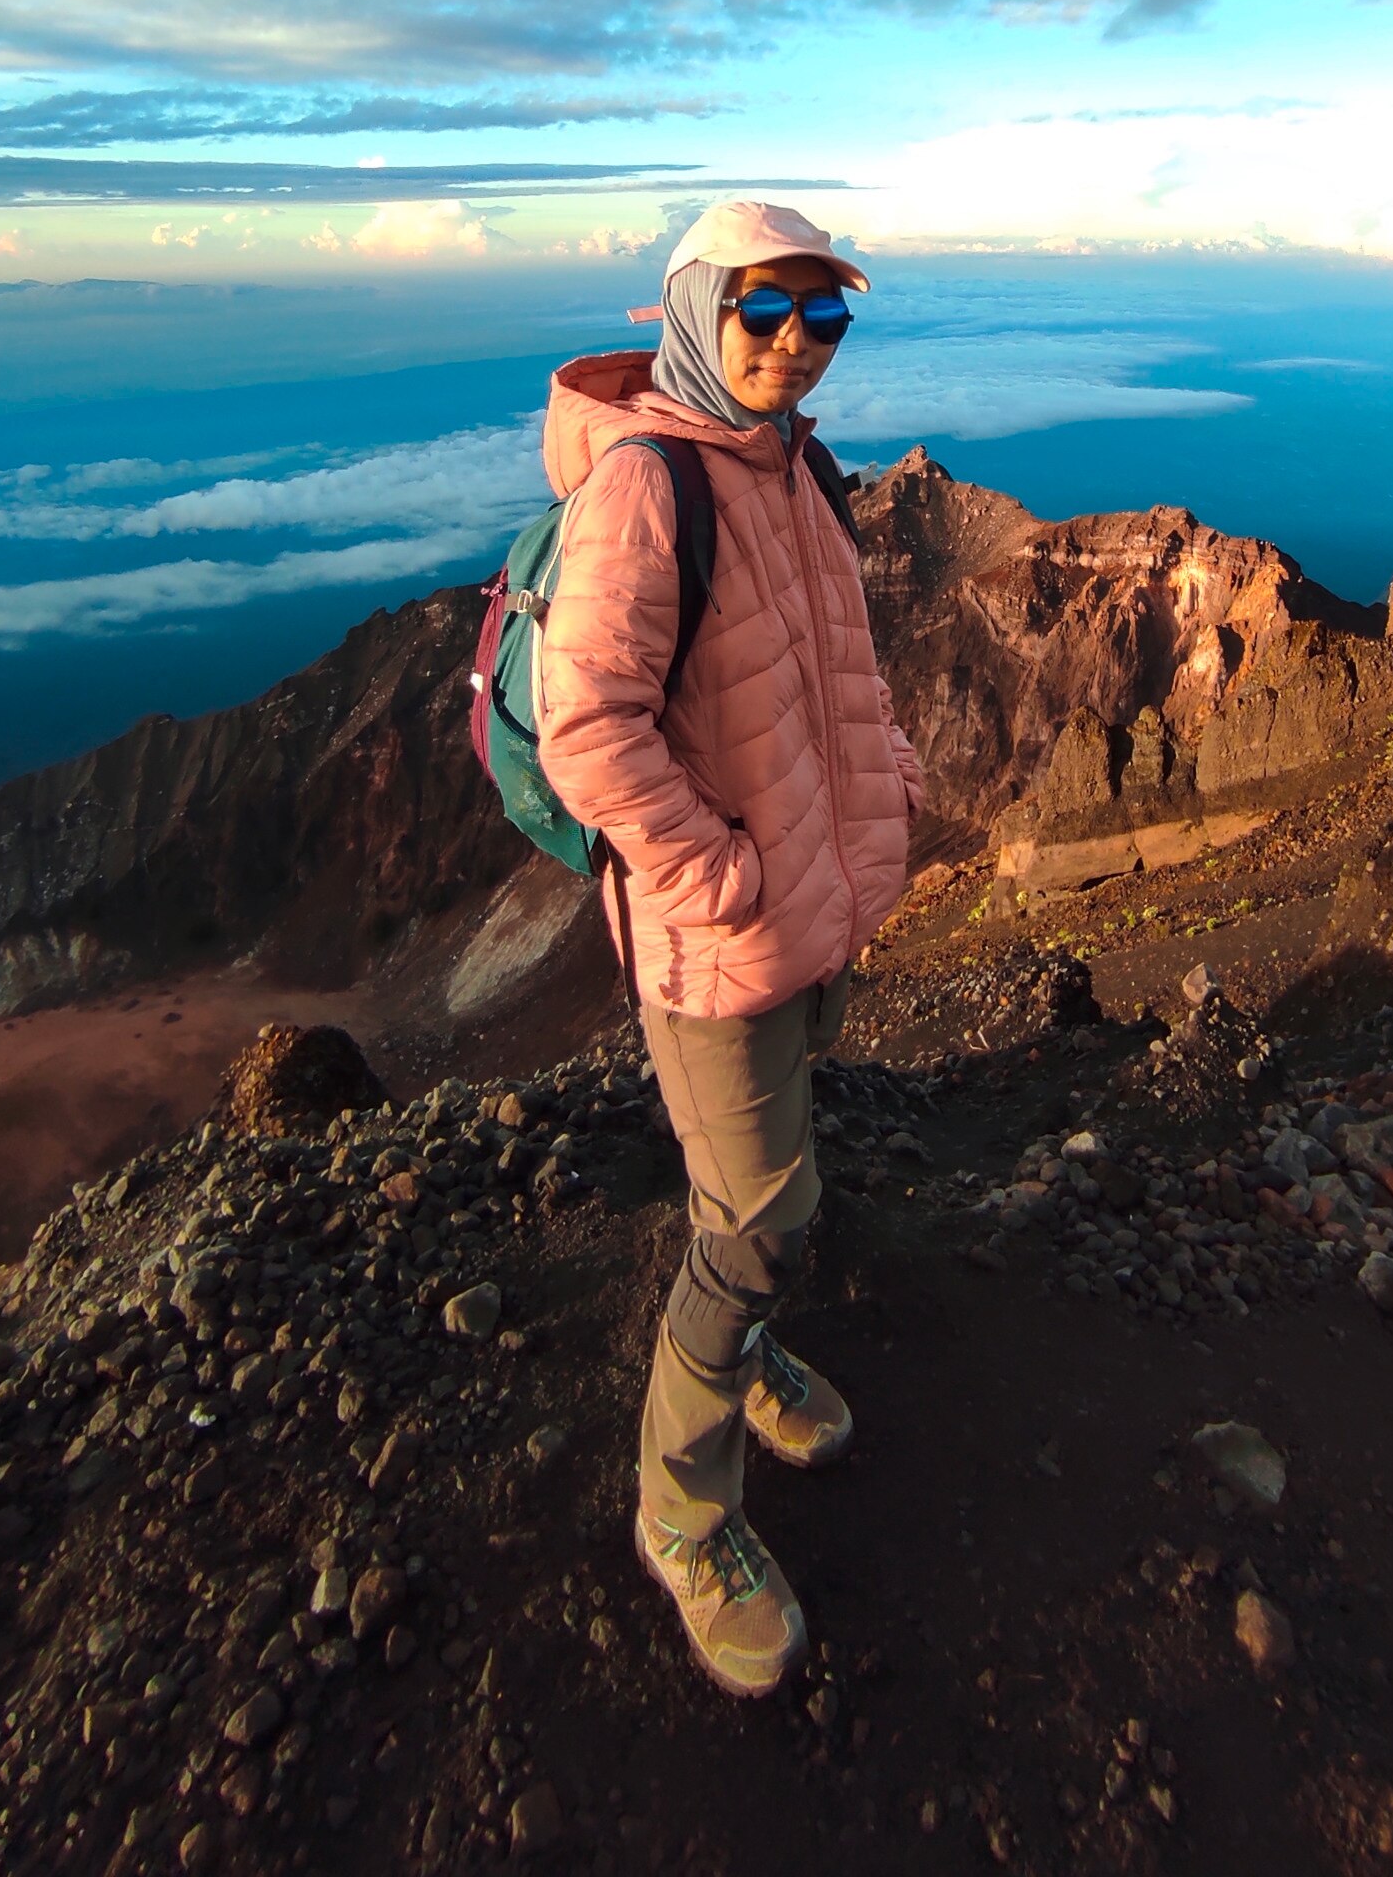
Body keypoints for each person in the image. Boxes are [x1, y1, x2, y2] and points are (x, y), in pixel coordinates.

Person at [535, 196, 923, 1698]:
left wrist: (888, 780)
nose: (796, 345)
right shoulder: (647, 489)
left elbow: (842, 663)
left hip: (806, 911)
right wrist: (721, 878)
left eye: (823, 316)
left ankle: (744, 1358)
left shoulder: (791, 466)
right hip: (725, 936)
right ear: (699, 313)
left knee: (750, 1181)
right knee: (760, 1219)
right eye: (765, 312)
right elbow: (589, 729)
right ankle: (682, 1513)